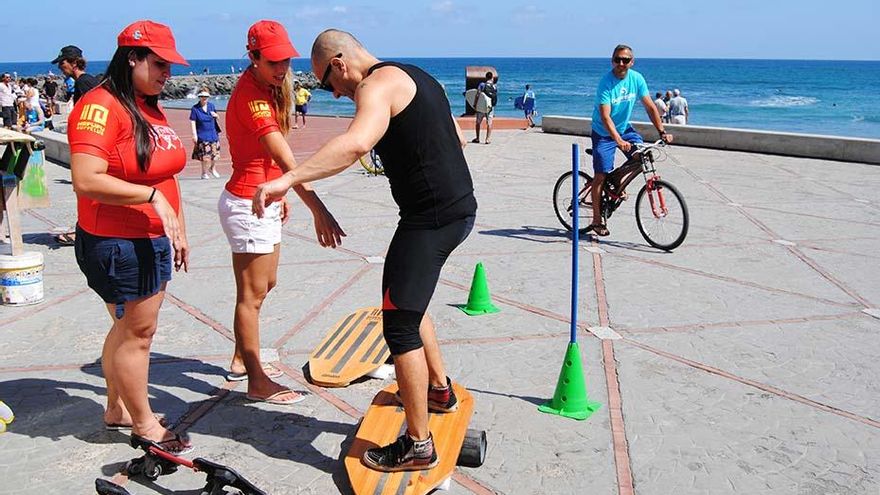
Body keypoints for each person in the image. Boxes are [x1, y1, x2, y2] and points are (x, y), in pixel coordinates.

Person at [253, 28, 477, 473]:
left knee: (399, 326)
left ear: (339, 63)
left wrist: (289, 179)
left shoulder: (377, 85)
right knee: (406, 299)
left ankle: (418, 445)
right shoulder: (416, 75)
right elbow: (455, 134)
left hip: (429, 220)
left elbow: (356, 143)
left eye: (327, 83)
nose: (334, 94)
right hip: (457, 210)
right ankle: (438, 389)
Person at [67, 20, 193, 453]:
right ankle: (144, 424)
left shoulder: (147, 105)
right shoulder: (100, 106)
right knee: (138, 334)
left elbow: (164, 173)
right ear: (132, 58)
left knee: (126, 330)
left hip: (150, 237)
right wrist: (152, 197)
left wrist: (178, 226)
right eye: (159, 64)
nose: (167, 74)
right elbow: (87, 178)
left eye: (170, 66)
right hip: (119, 241)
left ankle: (117, 408)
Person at [219, 20, 344, 402]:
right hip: (248, 202)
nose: (281, 68)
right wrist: (318, 209)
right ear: (253, 57)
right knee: (252, 294)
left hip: (265, 197)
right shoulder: (253, 98)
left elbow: (274, 163)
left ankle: (242, 357)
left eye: (285, 60)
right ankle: (256, 379)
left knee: (264, 284)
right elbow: (288, 160)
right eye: (272, 61)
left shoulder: (266, 87)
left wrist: (281, 192)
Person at [588, 44, 671, 237]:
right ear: (612, 61)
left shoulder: (637, 78)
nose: (621, 63)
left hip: (625, 128)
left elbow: (650, 107)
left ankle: (616, 180)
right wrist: (617, 140)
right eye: (617, 59)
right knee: (600, 175)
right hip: (603, 132)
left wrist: (662, 131)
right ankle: (596, 220)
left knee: (642, 156)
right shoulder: (605, 83)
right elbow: (605, 117)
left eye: (625, 60)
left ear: (632, 62)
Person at [53, 45, 102, 246]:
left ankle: (85, 232)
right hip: (91, 144)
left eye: (62, 63)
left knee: (86, 190)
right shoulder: (86, 81)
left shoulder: (84, 82)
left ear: (74, 62)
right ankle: (85, 229)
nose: (60, 67)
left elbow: (95, 112)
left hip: (91, 145)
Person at [189, 88, 221, 179]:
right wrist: (194, 134)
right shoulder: (195, 108)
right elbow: (193, 121)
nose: (204, 98)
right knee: (205, 156)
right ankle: (204, 173)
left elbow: (217, 117)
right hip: (202, 134)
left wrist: (216, 116)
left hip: (213, 133)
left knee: (215, 155)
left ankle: (212, 168)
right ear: (199, 97)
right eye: (202, 96)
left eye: (206, 96)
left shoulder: (211, 106)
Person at [472, 71, 496, 144]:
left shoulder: (482, 85)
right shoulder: (494, 86)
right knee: (489, 123)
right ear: (492, 77)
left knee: (478, 123)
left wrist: (475, 104)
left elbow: (477, 94)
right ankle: (487, 139)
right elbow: (494, 97)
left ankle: (477, 138)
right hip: (490, 107)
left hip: (481, 107)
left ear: (486, 77)